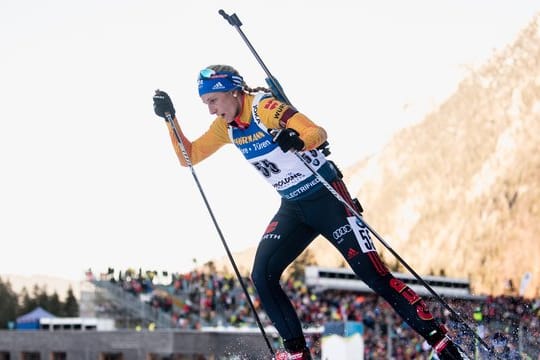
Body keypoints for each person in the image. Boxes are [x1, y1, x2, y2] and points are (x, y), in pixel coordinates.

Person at [152, 64, 464, 360]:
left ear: (234, 92)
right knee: (262, 274)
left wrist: (296, 140)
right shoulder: (225, 127)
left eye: (213, 100)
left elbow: (317, 132)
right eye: (205, 103)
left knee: (373, 275)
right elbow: (188, 156)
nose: (211, 109)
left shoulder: (264, 108)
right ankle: (297, 352)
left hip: (327, 198)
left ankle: (438, 337)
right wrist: (170, 119)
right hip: (294, 207)